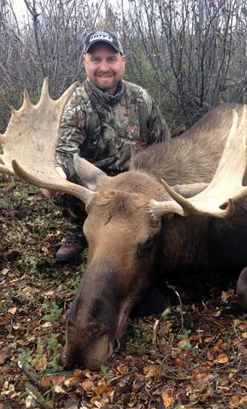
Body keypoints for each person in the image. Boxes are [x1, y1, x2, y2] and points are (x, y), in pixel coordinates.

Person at [46, 30, 171, 262]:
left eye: (111, 59)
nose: (104, 67)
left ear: (122, 61)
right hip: (99, 193)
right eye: (96, 60)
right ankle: (80, 230)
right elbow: (65, 149)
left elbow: (164, 147)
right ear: (85, 62)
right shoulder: (77, 104)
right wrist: (55, 173)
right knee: (63, 176)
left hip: (138, 188)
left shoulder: (141, 99)